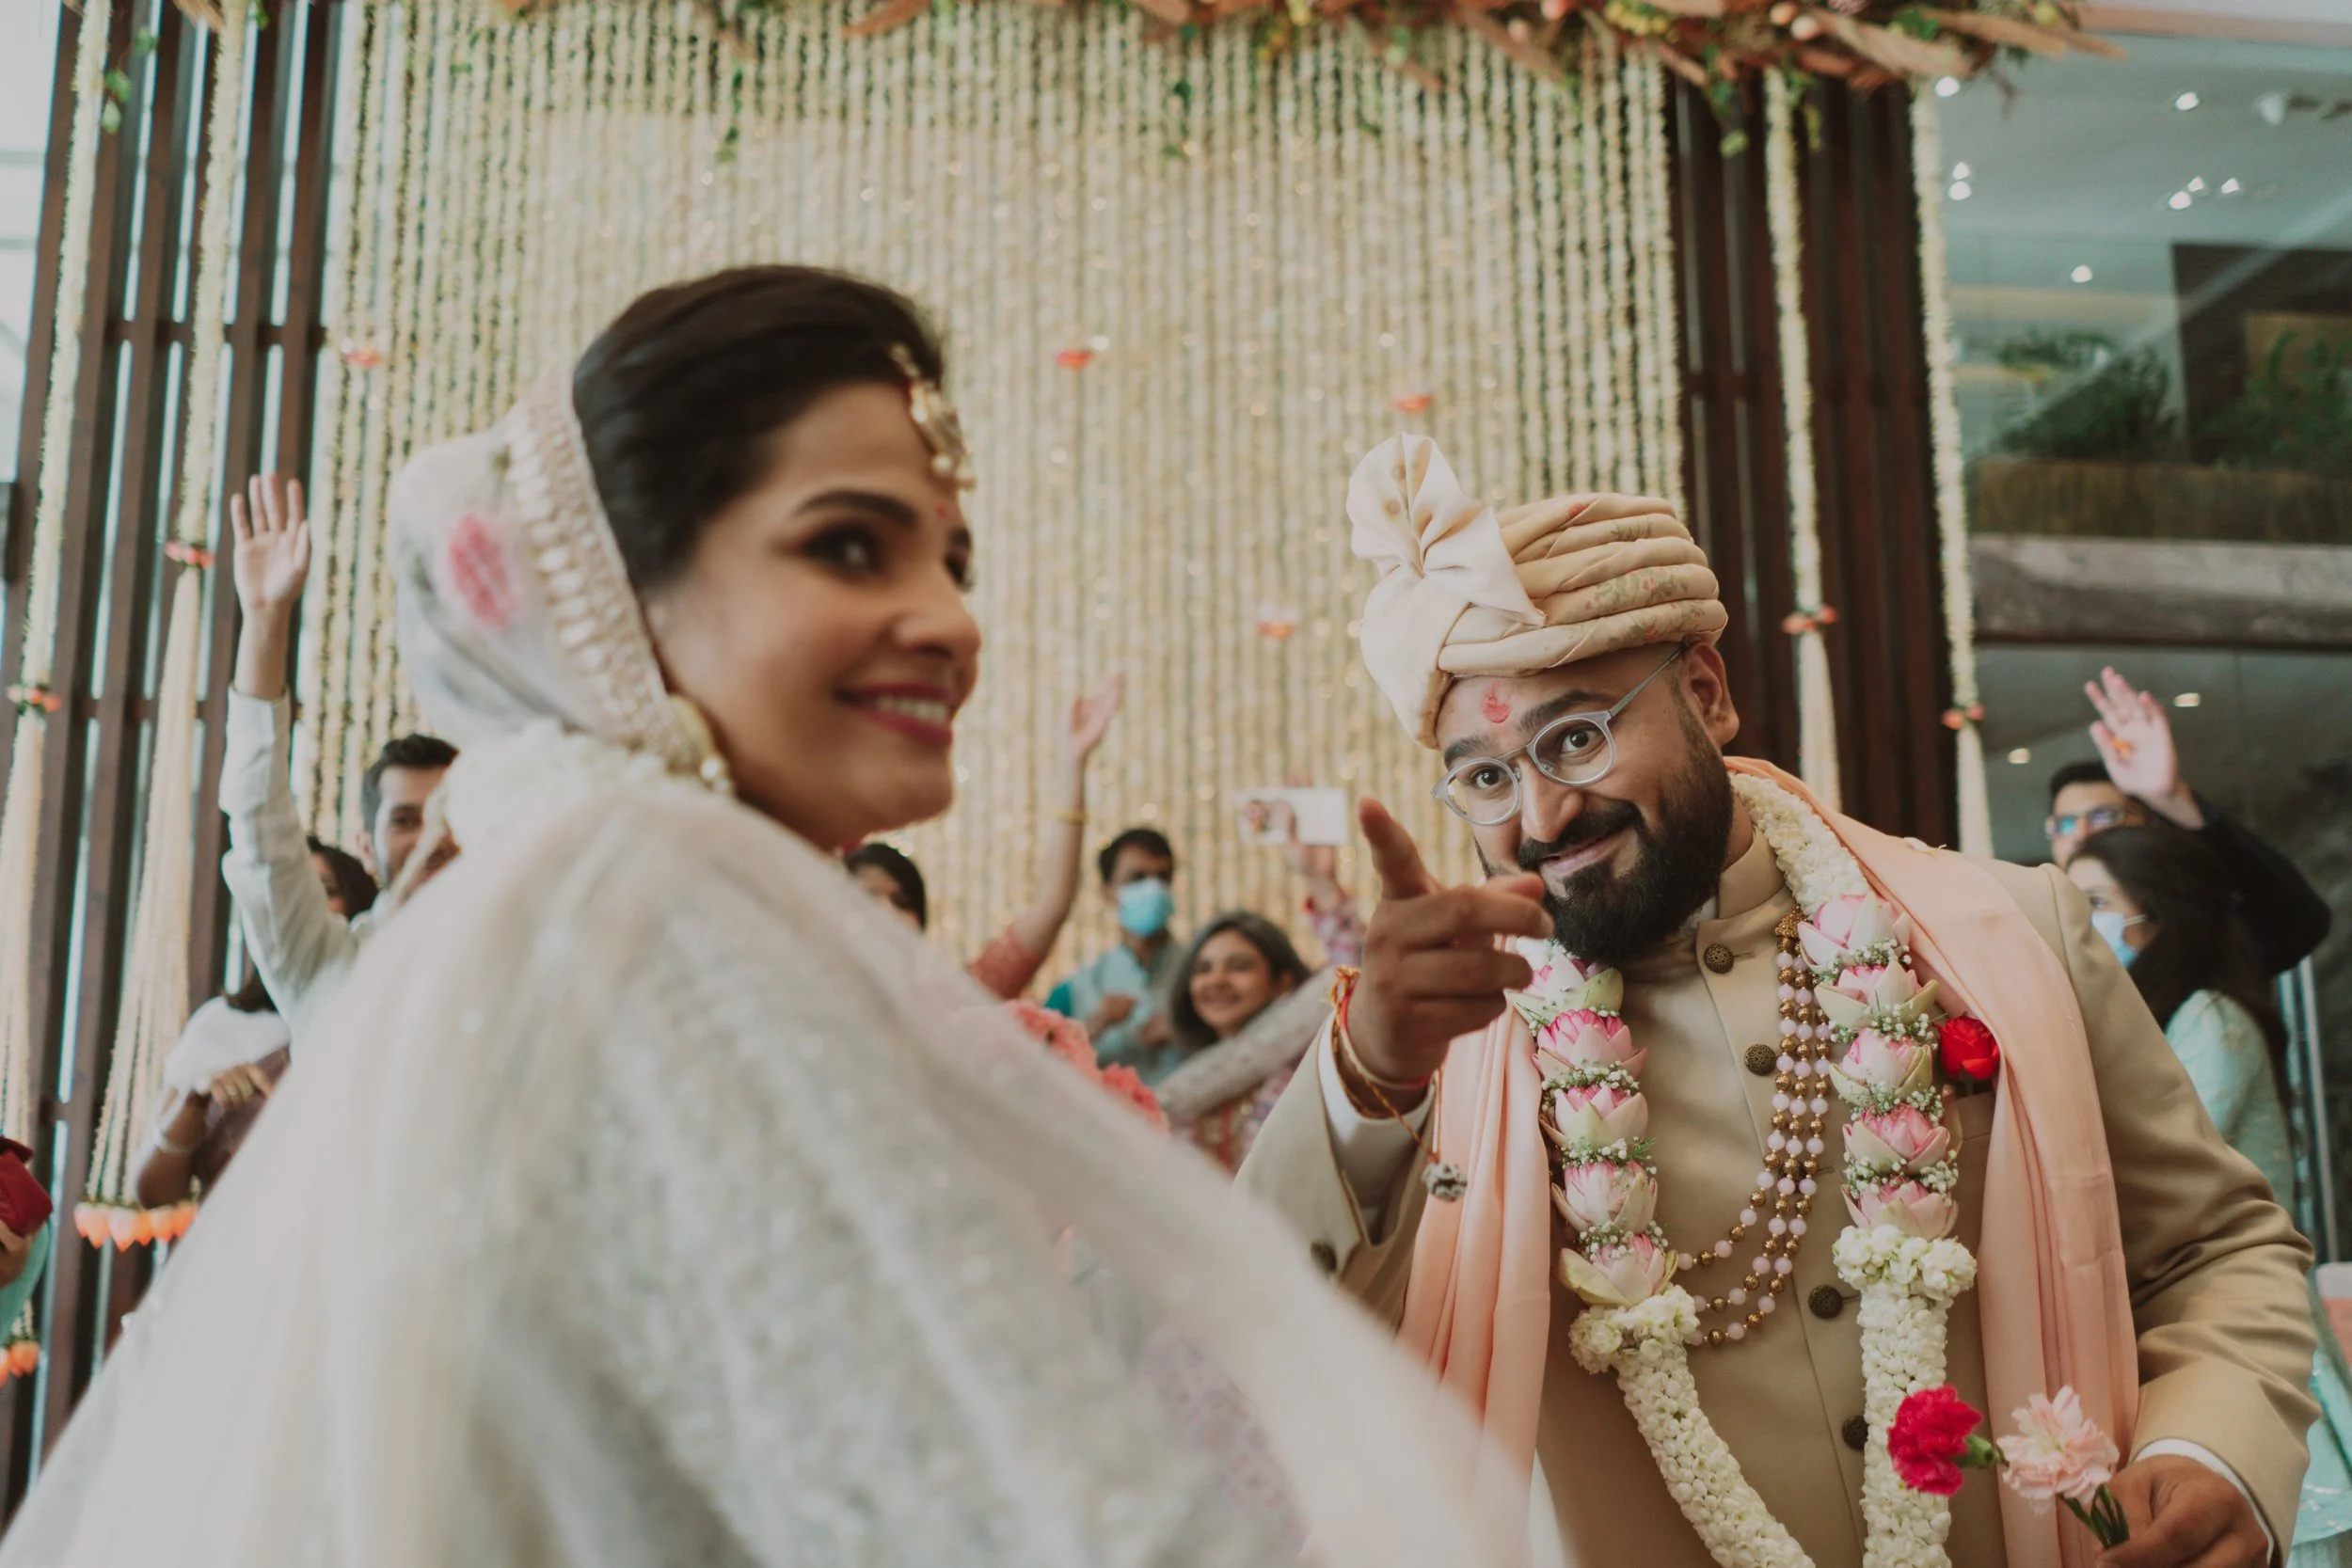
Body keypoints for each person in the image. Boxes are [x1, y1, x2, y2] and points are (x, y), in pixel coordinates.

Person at [0, 269, 1516, 1568]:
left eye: (951, 556)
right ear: (621, 594)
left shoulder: (598, 885)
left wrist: (1368, 1051)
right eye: (850, 545)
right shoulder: (659, 925)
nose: (951, 616)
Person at [1238, 435, 2314, 1568]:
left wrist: (2216, 1447)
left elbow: (2211, 1247)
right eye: (1487, 775)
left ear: (1705, 693)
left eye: (1576, 736)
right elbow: (1272, 1324)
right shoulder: (1448, 1050)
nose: (1544, 815)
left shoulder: (2012, 933)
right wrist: (1371, 1076)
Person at [2069, 826, 2352, 1568]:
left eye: (2096, 900)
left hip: (2249, 1326)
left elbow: (2153, 1172)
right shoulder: (2166, 1020)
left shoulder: (2211, 1021)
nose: (2082, 920)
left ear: (2160, 913)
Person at [220, 475, 456, 1050]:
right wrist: (264, 620)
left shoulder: (539, 954)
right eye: (406, 820)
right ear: (367, 846)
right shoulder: (322, 964)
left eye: (451, 815)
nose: (434, 837)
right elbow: (259, 819)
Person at [844, 675, 1124, 998]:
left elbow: (1052, 905)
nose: (888, 913)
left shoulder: (956, 1002)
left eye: (901, 902)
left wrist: (1072, 764)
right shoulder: (796, 1004)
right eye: (866, 899)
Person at [135, 841, 378, 1212]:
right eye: (287, 893)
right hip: (234, 1252)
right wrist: (194, 1100)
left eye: (324, 892)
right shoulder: (221, 1023)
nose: (302, 908)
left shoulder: (380, 1017)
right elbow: (152, 1193)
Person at [2042, 666, 2330, 973]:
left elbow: (2296, 928)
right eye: (2067, 823)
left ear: (2146, 823)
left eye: (2103, 816)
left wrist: (2172, 799)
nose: (2082, 833)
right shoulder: (2041, 932)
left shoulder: (2190, 924)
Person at [1158, 912, 1316, 1174]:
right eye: (1203, 969)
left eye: (1239, 967)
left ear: (1281, 983)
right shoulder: (1183, 1087)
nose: (1217, 980)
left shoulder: (1308, 1068)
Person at [1045, 827, 1186, 1080]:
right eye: (1137, 878)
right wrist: (1095, 1026)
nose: (1153, 889)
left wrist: (1188, 1032)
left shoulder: (1204, 976)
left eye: (1163, 877)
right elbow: (1036, 1072)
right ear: (1108, 892)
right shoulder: (1074, 991)